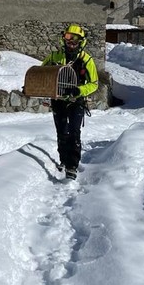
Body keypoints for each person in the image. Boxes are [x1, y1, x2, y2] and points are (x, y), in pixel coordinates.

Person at [41, 24, 99, 180]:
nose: (70, 44)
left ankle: (72, 165)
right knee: (62, 132)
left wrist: (78, 90)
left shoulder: (86, 60)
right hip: (58, 99)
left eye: (74, 41)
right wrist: (35, 85)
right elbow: (42, 73)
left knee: (74, 132)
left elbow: (94, 83)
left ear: (81, 42)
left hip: (76, 101)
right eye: (68, 41)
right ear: (64, 40)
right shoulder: (55, 57)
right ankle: (63, 159)